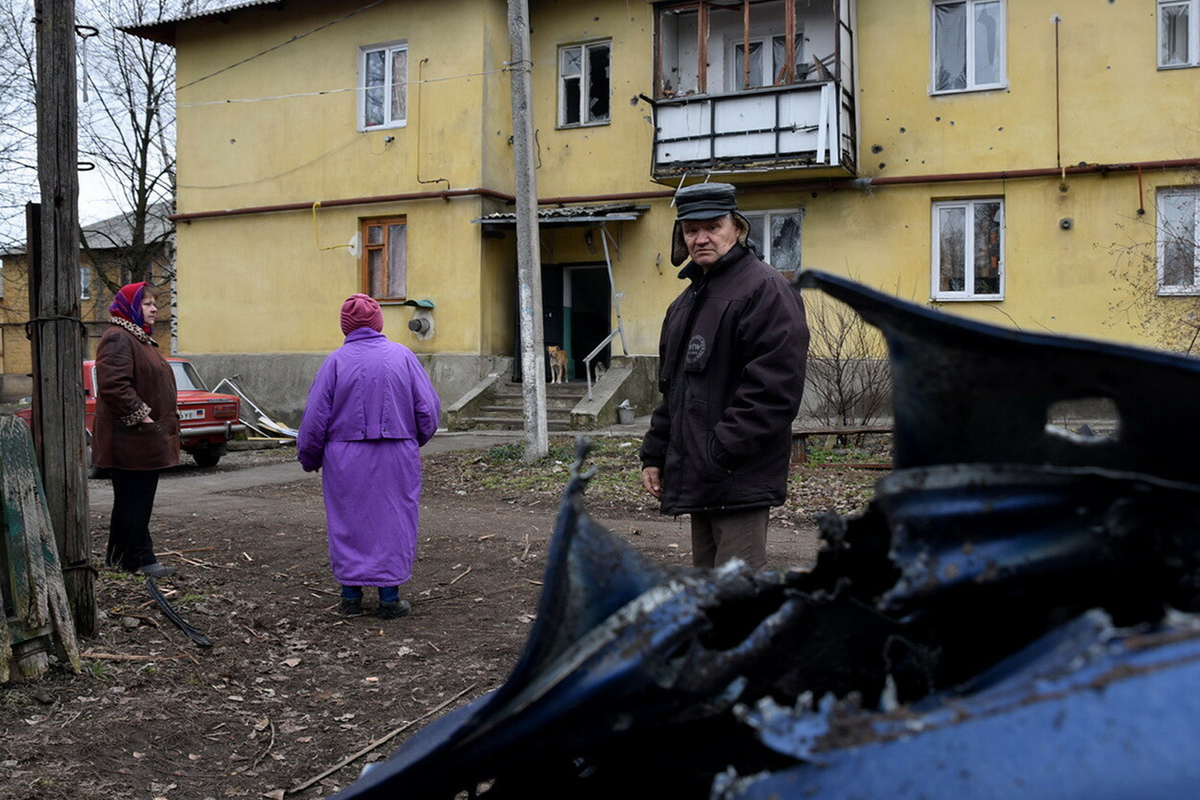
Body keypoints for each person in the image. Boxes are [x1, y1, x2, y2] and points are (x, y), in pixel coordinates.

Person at [640, 182, 810, 570]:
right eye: (691, 230)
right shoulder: (684, 303)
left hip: (738, 475)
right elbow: (675, 391)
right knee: (711, 590)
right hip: (704, 472)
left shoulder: (765, 289)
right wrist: (654, 454)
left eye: (713, 227)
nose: (701, 238)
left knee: (737, 595)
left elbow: (774, 390)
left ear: (737, 227)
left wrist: (719, 451)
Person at [297, 294, 441, 620]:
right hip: (397, 455)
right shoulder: (403, 357)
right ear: (378, 322)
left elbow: (315, 419)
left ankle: (350, 597)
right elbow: (428, 411)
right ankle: (389, 599)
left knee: (348, 522)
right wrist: (409, 439)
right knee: (394, 521)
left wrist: (310, 457)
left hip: (345, 458)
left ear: (344, 326)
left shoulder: (335, 362)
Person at [92, 281, 181, 578]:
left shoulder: (139, 339)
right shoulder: (118, 338)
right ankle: (137, 559)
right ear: (130, 307)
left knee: (134, 501)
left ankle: (118, 559)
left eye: (155, 303)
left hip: (142, 440)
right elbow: (113, 385)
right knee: (134, 501)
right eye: (147, 303)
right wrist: (143, 417)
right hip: (131, 440)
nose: (155, 308)